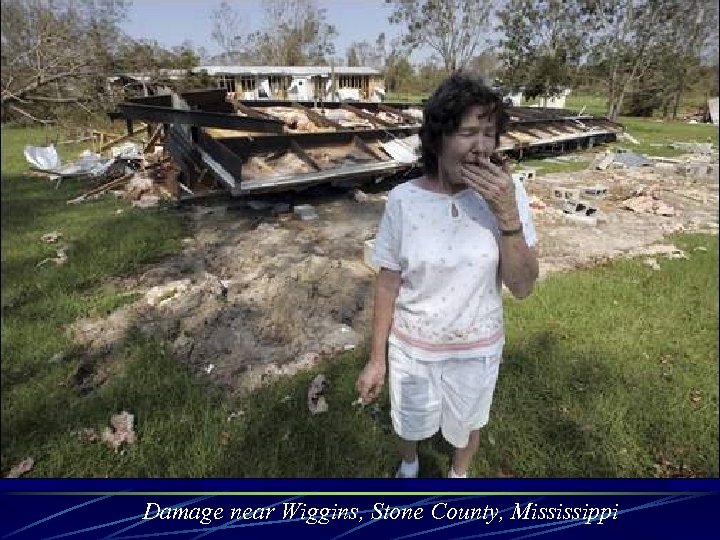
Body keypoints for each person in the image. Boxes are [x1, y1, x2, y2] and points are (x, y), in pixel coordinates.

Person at [356, 72, 539, 479]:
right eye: (467, 132)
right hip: (413, 350)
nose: (480, 147)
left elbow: (524, 287)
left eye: (489, 133)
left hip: (477, 349)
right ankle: (409, 464)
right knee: (408, 423)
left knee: (468, 423)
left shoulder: (508, 196)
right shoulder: (404, 200)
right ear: (437, 139)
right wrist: (376, 360)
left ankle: (459, 475)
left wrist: (507, 215)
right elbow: (388, 281)